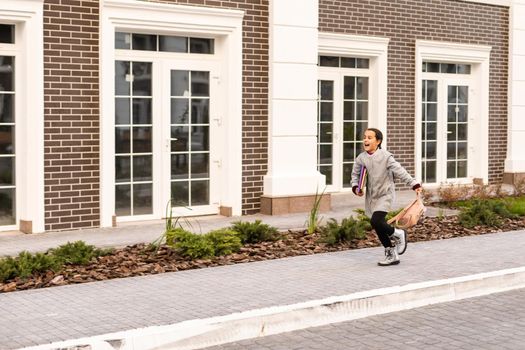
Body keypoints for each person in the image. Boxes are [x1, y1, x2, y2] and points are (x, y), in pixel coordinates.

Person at [351, 128, 422, 266]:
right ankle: (391, 254)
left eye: (370, 137)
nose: (366, 140)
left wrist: (414, 184)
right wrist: (356, 188)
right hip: (372, 196)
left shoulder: (386, 156)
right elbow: (355, 175)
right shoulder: (361, 158)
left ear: (378, 141)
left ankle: (398, 233)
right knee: (376, 224)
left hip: (385, 194)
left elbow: (400, 171)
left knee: (376, 221)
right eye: (365, 137)